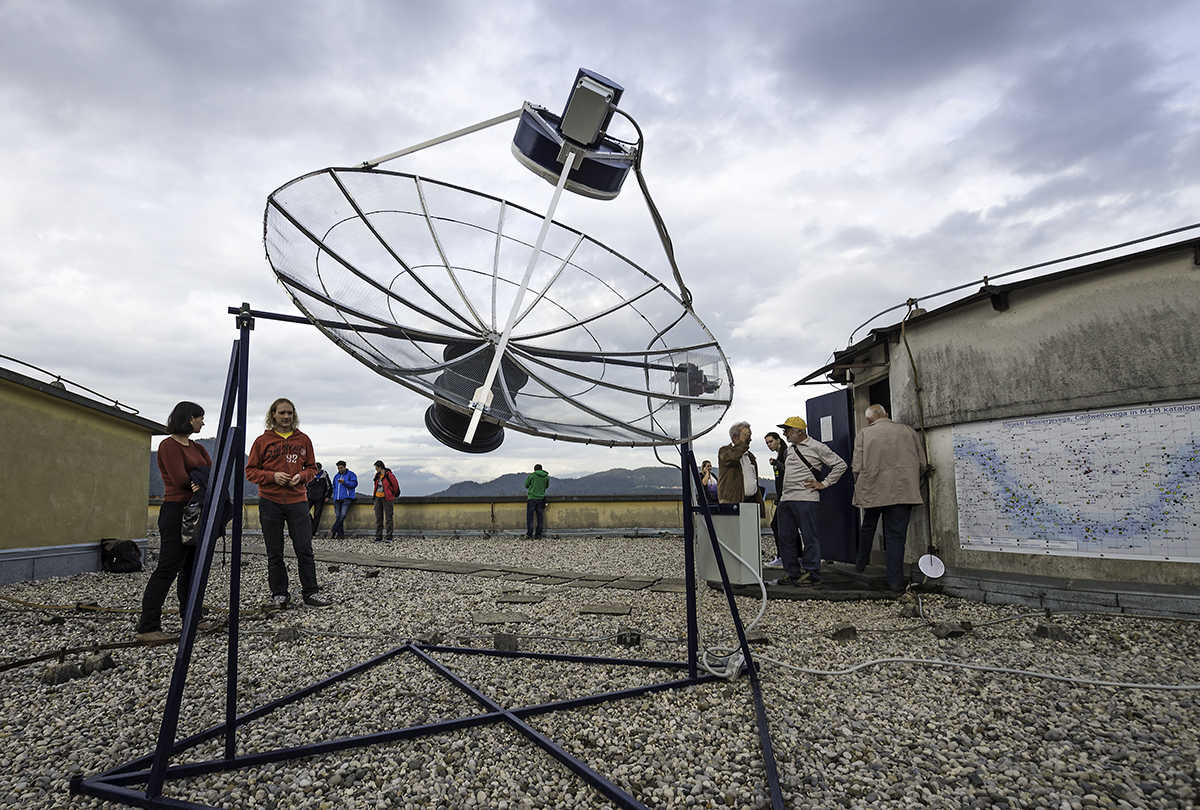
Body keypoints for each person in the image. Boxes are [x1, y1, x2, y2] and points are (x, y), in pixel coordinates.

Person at [136, 402, 211, 641]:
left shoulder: (197, 448)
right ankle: (148, 626)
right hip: (176, 511)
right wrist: (198, 480)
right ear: (189, 418)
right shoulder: (168, 446)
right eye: (200, 418)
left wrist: (199, 480)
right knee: (169, 567)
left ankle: (192, 617)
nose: (202, 422)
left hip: (197, 510)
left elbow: (211, 473)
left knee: (192, 568)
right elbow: (180, 479)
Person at [246, 398, 330, 608]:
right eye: (282, 413)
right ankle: (279, 593)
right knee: (274, 551)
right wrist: (272, 476)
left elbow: (312, 468)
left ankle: (310, 592)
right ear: (273, 414)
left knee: (304, 548)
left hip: (297, 501)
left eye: (289, 413)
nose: (286, 417)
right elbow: (251, 471)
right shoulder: (261, 441)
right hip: (270, 501)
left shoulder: (303, 440)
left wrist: (301, 477)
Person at [852, 404, 930, 592]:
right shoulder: (908, 431)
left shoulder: (864, 434)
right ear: (886, 414)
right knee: (896, 536)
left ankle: (861, 565)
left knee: (868, 526)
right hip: (902, 490)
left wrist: (861, 485)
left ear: (870, 420)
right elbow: (922, 463)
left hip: (874, 489)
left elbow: (856, 466)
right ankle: (895, 581)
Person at [774, 416, 847, 585]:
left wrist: (824, 484)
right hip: (787, 499)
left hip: (806, 499)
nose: (785, 434)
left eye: (788, 430)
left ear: (799, 431)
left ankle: (812, 573)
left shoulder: (817, 447)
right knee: (785, 537)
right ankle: (792, 573)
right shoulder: (790, 449)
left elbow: (840, 465)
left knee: (809, 537)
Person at [717, 421, 763, 508]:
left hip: (752, 502)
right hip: (732, 502)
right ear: (735, 437)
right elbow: (732, 458)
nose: (749, 439)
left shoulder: (750, 456)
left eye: (750, 435)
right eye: (746, 435)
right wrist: (742, 444)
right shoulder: (724, 451)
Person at [763, 431, 786, 568]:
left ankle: (782, 557)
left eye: (770, 441)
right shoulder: (780, 454)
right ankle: (793, 556)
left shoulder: (785, 453)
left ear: (778, 440)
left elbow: (788, 471)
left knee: (776, 525)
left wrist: (777, 463)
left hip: (787, 496)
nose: (769, 445)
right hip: (782, 496)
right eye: (766, 443)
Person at [372, 460, 400, 542]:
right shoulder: (377, 476)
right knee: (378, 518)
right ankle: (378, 536)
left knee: (388, 518)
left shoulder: (389, 475)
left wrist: (392, 494)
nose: (376, 469)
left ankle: (389, 536)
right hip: (378, 498)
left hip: (387, 498)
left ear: (380, 467)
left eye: (376, 468)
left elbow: (395, 485)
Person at [329, 460, 357, 540]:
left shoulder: (351, 474)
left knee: (343, 515)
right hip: (337, 499)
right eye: (338, 468)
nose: (340, 470)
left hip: (347, 498)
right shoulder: (336, 476)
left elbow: (354, 484)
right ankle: (340, 535)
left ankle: (333, 530)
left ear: (345, 467)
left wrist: (345, 482)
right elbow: (334, 486)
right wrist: (334, 496)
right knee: (338, 516)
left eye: (341, 468)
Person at [306, 462, 332, 535]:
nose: (316, 471)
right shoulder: (310, 474)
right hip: (309, 497)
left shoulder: (324, 475)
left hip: (320, 498)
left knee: (317, 515)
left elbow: (329, 487)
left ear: (320, 469)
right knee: (305, 512)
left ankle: (313, 532)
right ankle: (311, 527)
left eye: (317, 469)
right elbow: (305, 485)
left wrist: (328, 496)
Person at [524, 464, 549, 538]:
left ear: (534, 469)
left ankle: (529, 534)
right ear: (541, 469)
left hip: (531, 498)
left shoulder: (532, 476)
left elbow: (526, 485)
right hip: (541, 499)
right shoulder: (546, 477)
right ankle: (538, 535)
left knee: (530, 517)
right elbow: (546, 486)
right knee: (540, 517)